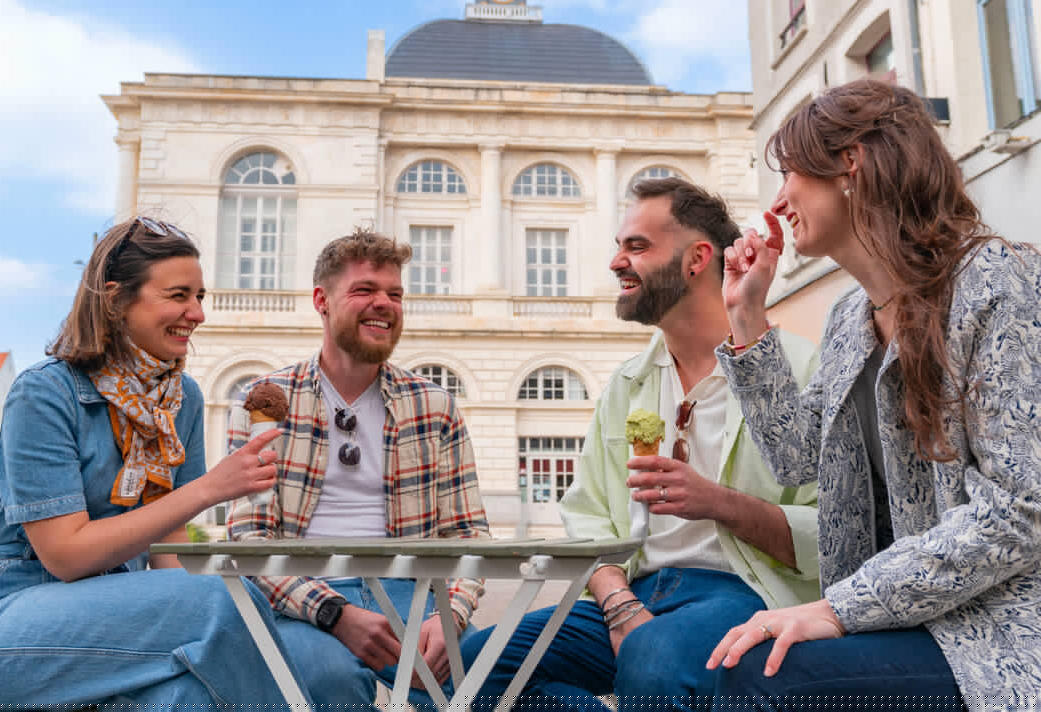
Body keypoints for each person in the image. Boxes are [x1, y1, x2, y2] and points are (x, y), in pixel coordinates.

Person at [708, 79, 1041, 709]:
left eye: (792, 173)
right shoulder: (848, 317)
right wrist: (747, 314)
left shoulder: (997, 284)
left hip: (995, 631)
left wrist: (838, 608)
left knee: (763, 679)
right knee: (740, 663)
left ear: (849, 164)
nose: (779, 200)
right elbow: (799, 460)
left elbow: (1018, 511)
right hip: (901, 618)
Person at [461, 178, 820, 711]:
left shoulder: (797, 368)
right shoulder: (627, 383)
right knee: (469, 664)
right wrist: (617, 601)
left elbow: (832, 533)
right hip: (633, 589)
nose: (615, 262)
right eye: (618, 246)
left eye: (637, 247)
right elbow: (586, 517)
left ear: (698, 258)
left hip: (745, 593)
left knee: (654, 660)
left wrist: (717, 501)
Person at [0, 216, 299, 710]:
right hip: (8, 628)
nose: (197, 313)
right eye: (179, 296)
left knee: (186, 696)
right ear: (115, 300)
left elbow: (169, 548)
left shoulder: (184, 399)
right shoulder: (45, 393)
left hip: (124, 624)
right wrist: (207, 489)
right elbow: (65, 557)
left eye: (201, 297)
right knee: (223, 601)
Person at [228, 229, 492, 711]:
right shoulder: (266, 402)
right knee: (328, 682)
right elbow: (250, 539)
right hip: (306, 599)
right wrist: (333, 613)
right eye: (365, 290)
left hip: (416, 591)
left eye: (394, 293)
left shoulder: (433, 404)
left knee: (482, 680)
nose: (384, 304)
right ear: (321, 301)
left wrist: (451, 614)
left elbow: (468, 532)